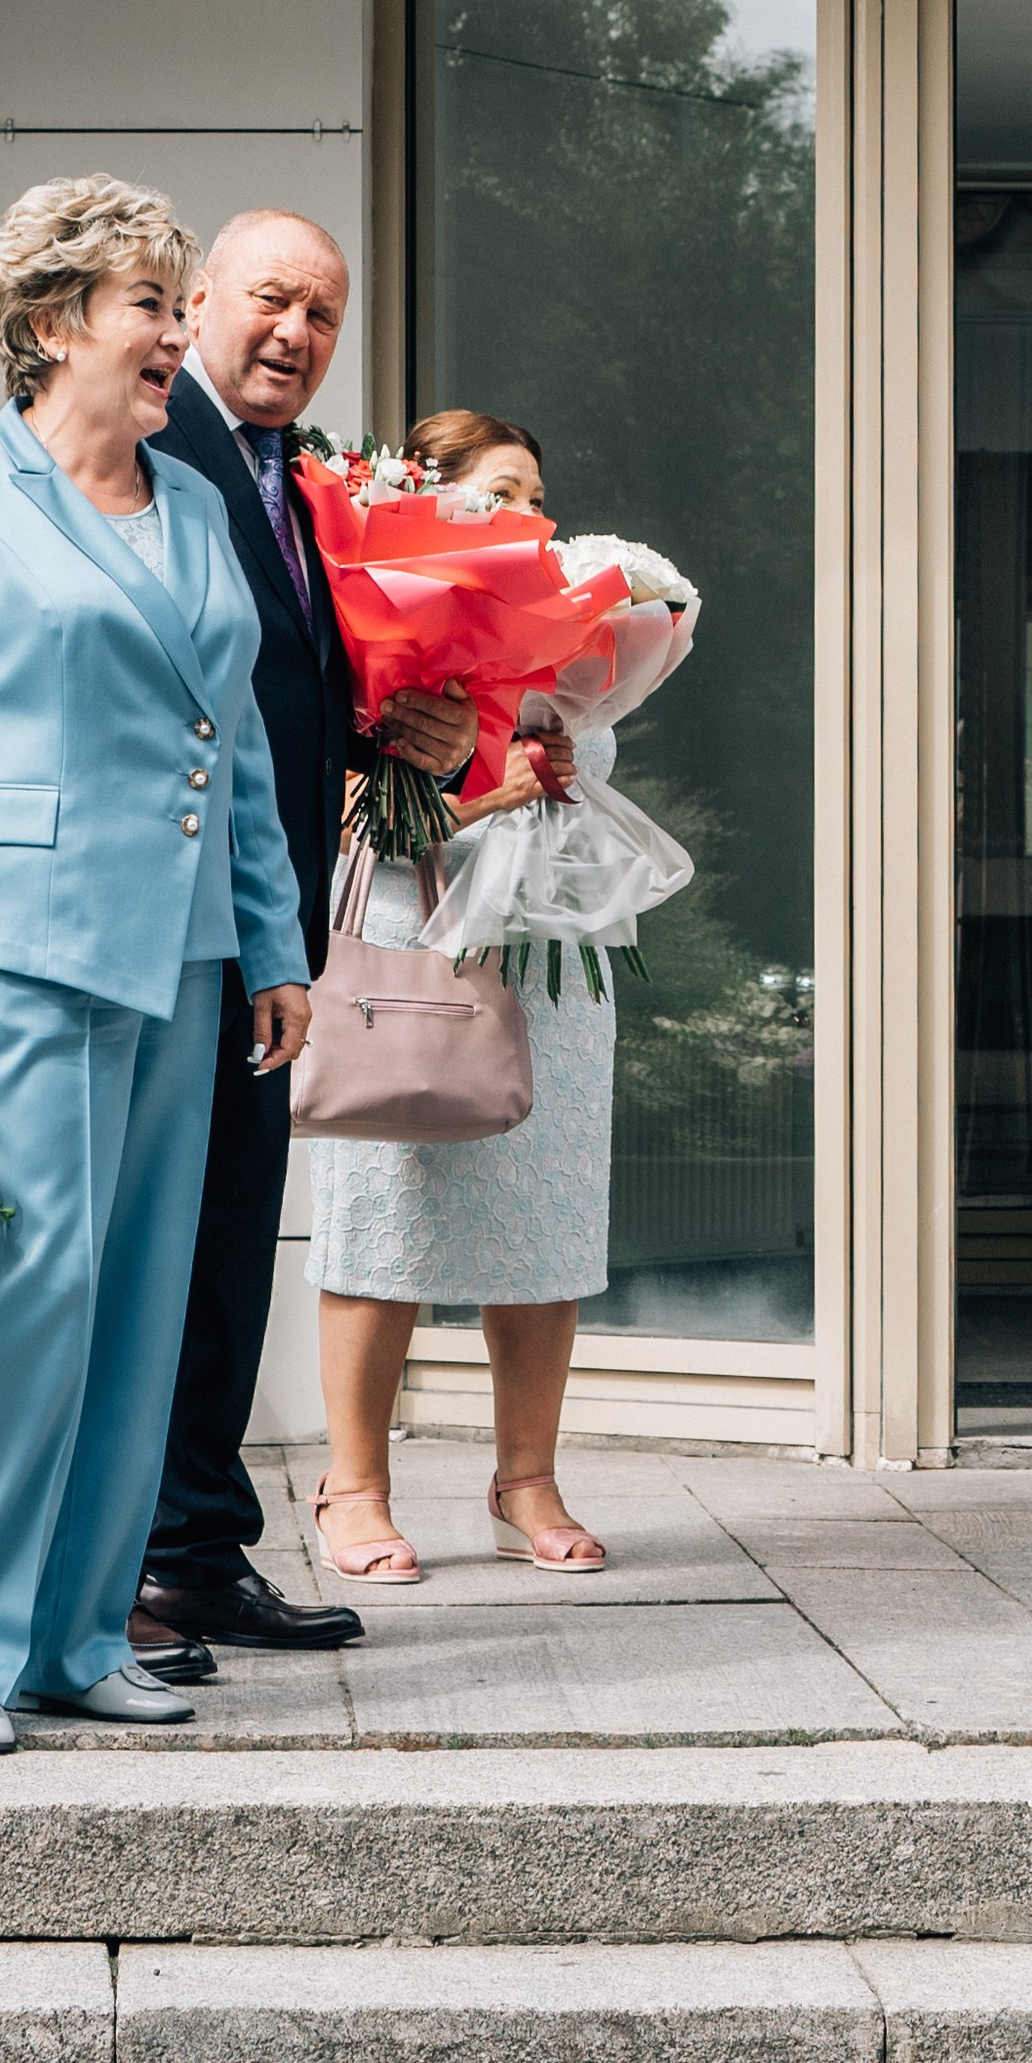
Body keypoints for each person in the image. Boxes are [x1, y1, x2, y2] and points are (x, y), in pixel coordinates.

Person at [0, 176, 310, 1755]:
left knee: (138, 1307)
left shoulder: (193, 511)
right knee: (29, 1296)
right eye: (149, 306)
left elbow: (229, 750)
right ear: (52, 326)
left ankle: (79, 1634)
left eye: (178, 304)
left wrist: (274, 947)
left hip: (185, 957)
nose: (178, 335)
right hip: (19, 949)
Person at [134, 210, 474, 1673]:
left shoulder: (302, 477)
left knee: (223, 1258)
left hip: (265, 926)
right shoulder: (153, 455)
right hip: (168, 925)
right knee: (164, 1254)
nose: (297, 333)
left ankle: (198, 1550)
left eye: (324, 315)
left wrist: (411, 731)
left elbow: (290, 683)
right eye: (272, 300)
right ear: (198, 301)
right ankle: (142, 1560)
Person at [305, 413, 613, 1582]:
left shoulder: (574, 634)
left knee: (545, 1220)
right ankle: (354, 1487)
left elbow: (571, 788)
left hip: (544, 954)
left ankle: (525, 1480)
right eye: (496, 494)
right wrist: (489, 792)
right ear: (425, 505)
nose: (524, 516)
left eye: (536, 495)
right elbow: (341, 818)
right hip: (406, 952)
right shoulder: (358, 633)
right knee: (383, 1213)